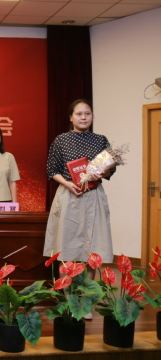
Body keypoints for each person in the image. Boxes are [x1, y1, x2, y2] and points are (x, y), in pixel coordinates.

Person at [44, 99, 115, 319]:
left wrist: (103, 172)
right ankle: (69, 300)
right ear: (71, 117)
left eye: (87, 113)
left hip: (94, 196)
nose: (84, 117)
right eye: (79, 114)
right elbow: (52, 170)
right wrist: (68, 184)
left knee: (92, 248)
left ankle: (85, 303)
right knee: (66, 246)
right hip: (69, 196)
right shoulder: (61, 140)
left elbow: (110, 169)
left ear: (92, 116)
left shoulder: (100, 140)